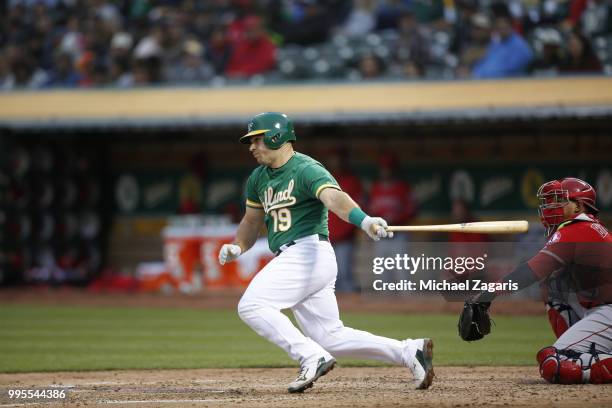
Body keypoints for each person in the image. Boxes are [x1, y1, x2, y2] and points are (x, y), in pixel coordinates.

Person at [218, 112, 434, 393]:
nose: (251, 147)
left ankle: (310, 355)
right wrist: (238, 245)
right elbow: (251, 221)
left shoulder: (306, 168)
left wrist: (364, 220)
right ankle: (409, 351)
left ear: (276, 136)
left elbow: (333, 198)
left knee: (252, 305)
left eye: (257, 140)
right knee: (331, 337)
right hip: (298, 258)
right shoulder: (258, 178)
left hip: (307, 252)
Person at [462, 177, 612, 384]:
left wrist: (487, 294)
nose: (551, 207)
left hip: (609, 312)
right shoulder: (588, 228)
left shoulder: (577, 230)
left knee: (554, 364)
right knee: (554, 287)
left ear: (578, 205)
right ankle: (575, 348)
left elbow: (531, 271)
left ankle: (572, 353)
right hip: (601, 309)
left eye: (559, 200)